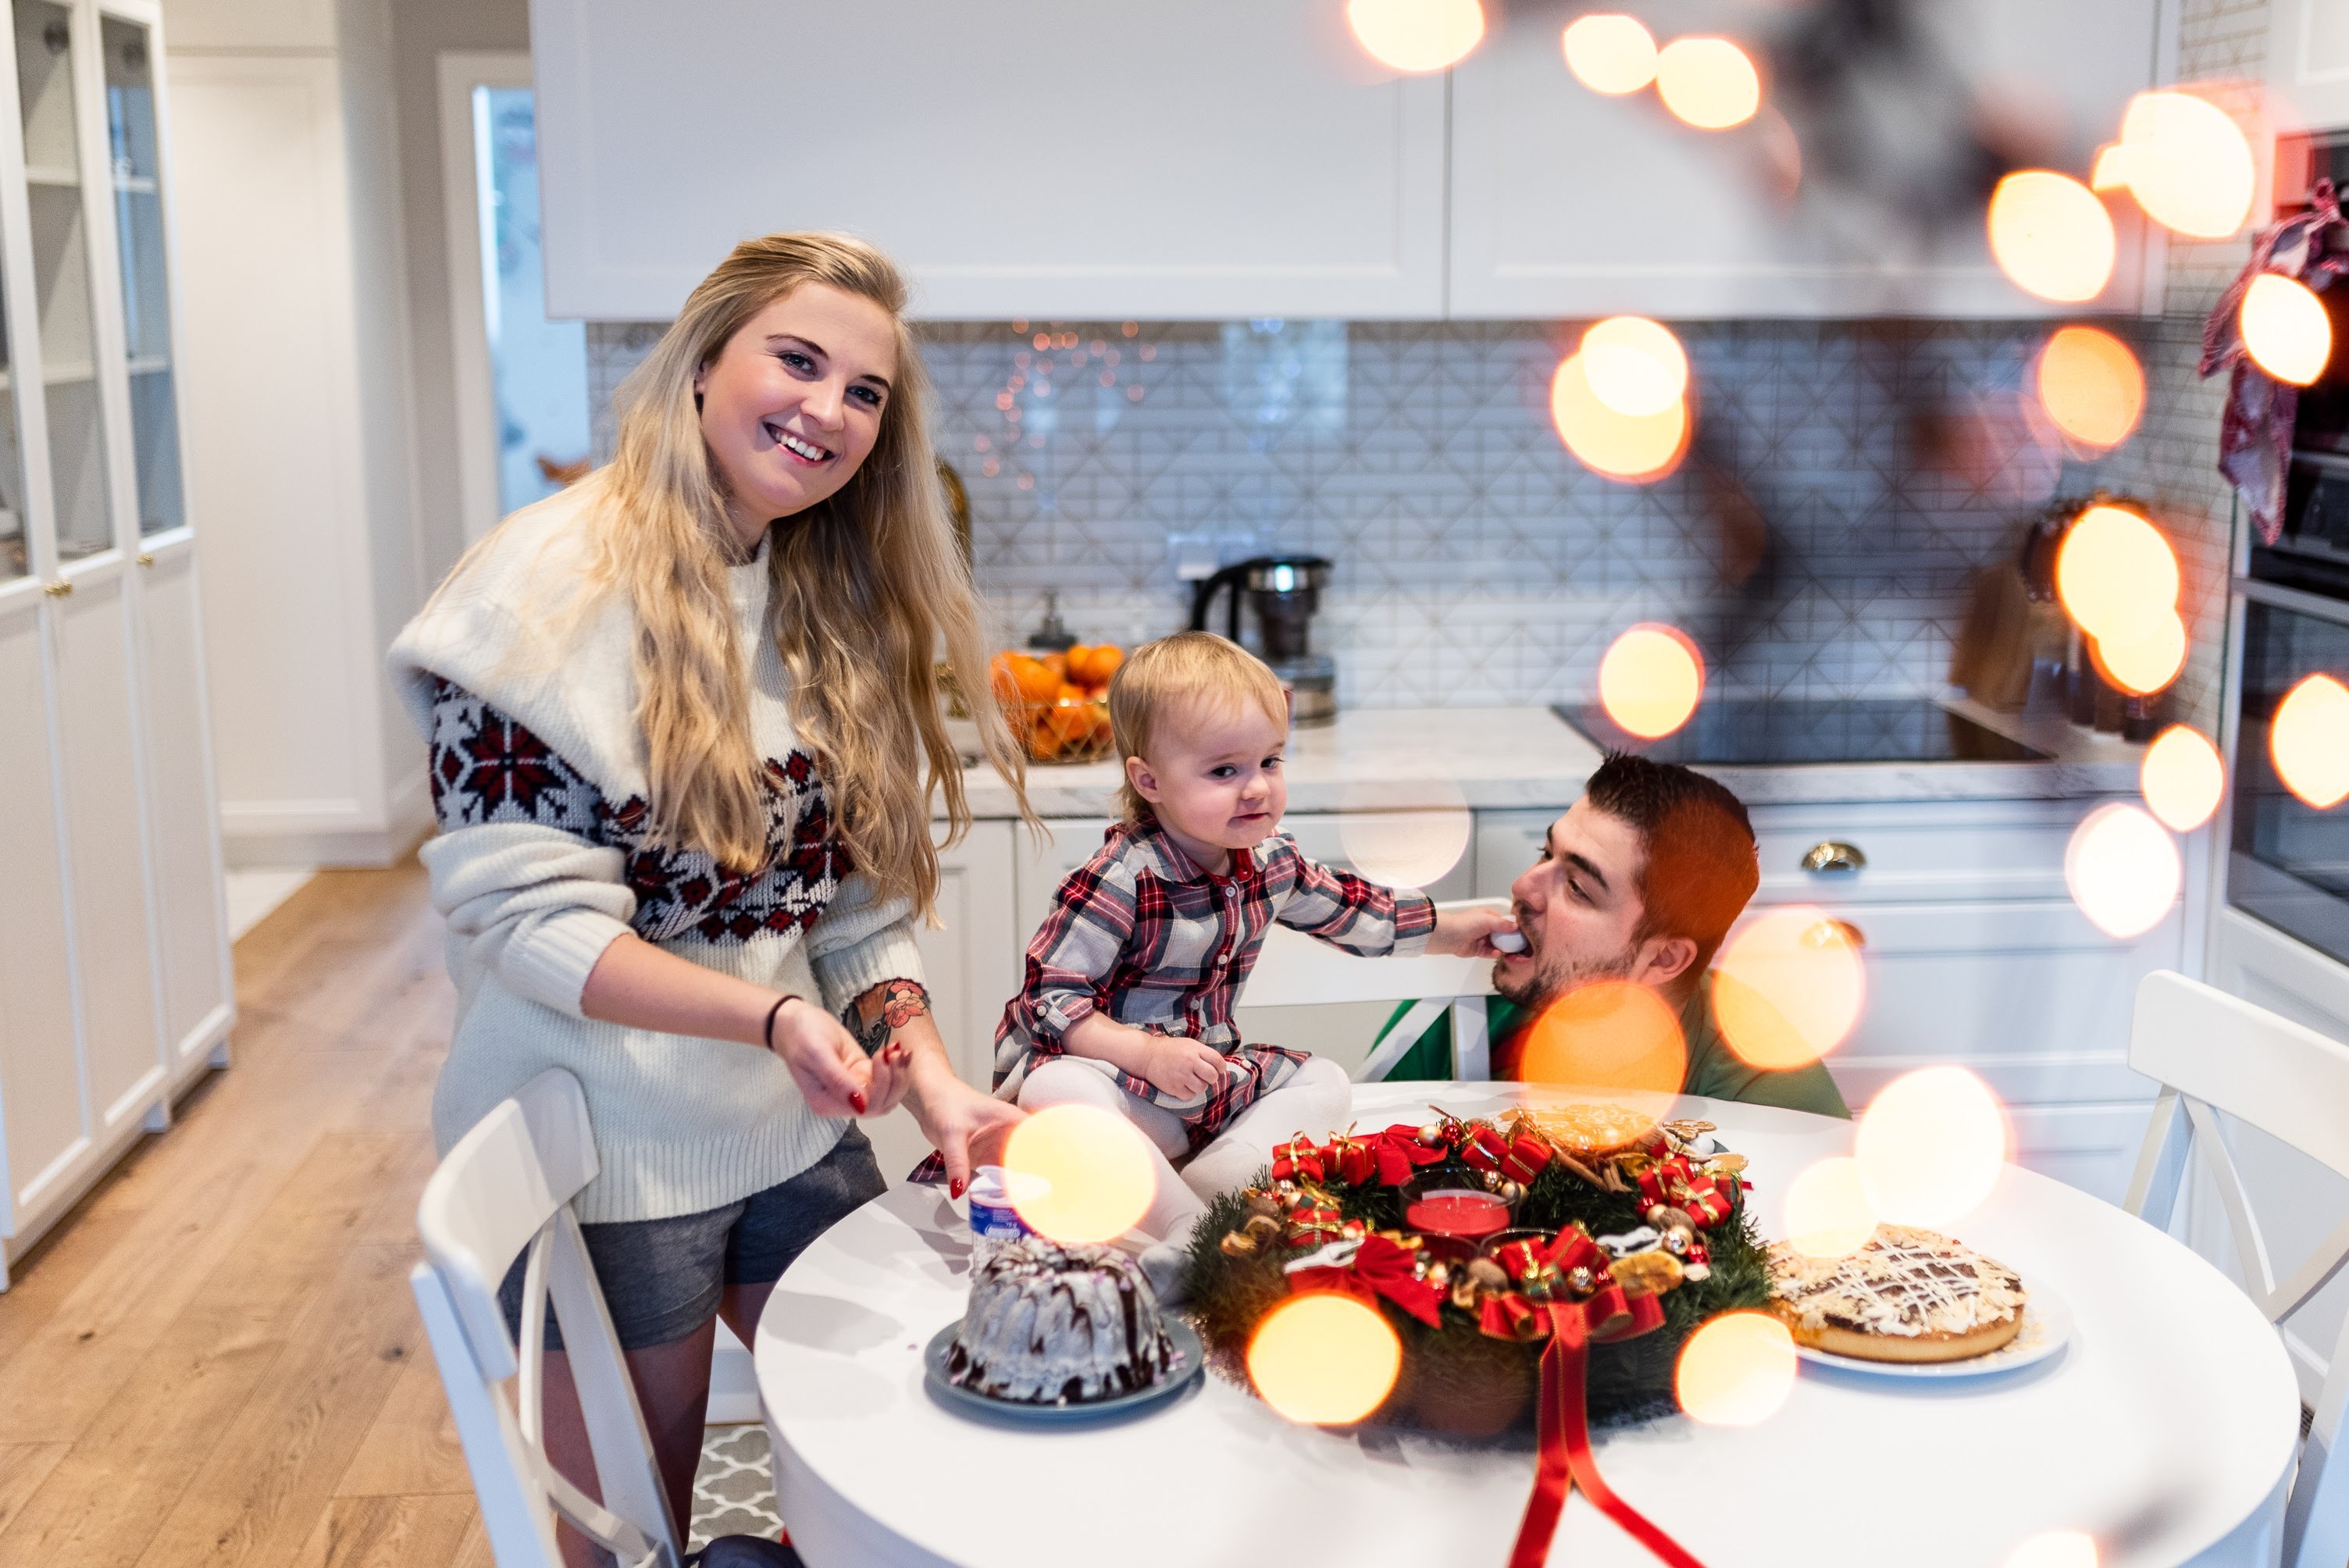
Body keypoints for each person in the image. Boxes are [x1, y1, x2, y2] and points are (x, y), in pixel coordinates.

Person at [389, 233, 1031, 1553]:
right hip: (604, 1154)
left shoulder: (816, 585)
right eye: (797, 361)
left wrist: (928, 1074)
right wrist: (771, 1020)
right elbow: (536, 928)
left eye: (865, 392)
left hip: (788, 1133)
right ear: (701, 362)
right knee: (632, 1539)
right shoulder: (538, 591)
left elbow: (851, 912)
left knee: (908, 1469)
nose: (828, 410)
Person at [985, 632, 1514, 1292]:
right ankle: (1188, 1228)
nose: (1258, 787)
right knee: (1052, 1089)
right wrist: (1146, 1054)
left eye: (1270, 760)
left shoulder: (1272, 861)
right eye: (1224, 772)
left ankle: (1207, 1201)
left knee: (1324, 1081)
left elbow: (1359, 913)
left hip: (1203, 1091)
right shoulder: (1120, 877)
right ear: (1149, 781)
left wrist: (1456, 930)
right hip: (1118, 1092)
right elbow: (1048, 1001)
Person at [1374, 752, 1849, 1117]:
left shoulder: (1766, 1090)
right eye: (1546, 853)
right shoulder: (1456, 1010)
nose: (1522, 887)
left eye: (1577, 888)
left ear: (1663, 959)